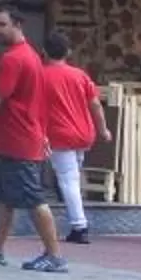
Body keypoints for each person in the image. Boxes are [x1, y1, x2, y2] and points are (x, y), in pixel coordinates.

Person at [0, 3, 68, 272]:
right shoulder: (29, 56)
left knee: (33, 197)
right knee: (5, 197)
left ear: (18, 25)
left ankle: (54, 255)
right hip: (14, 139)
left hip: (18, 141)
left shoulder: (14, 59)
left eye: (2, 24)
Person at [39, 35, 106, 244]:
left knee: (68, 180)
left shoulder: (41, 76)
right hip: (84, 133)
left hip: (59, 134)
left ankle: (79, 225)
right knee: (73, 177)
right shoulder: (80, 75)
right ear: (68, 52)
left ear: (44, 51)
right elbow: (95, 105)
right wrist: (103, 129)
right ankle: (77, 222)